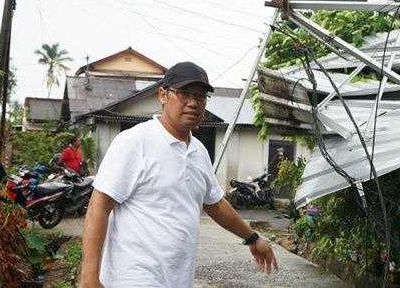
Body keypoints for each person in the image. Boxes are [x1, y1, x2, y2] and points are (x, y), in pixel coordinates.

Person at [80, 62, 278, 288]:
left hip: (177, 279)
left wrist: (252, 238)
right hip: (133, 277)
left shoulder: (199, 152)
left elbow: (215, 204)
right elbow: (99, 207)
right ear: (163, 95)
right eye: (183, 93)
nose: (193, 103)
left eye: (200, 96)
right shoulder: (135, 142)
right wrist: (89, 279)